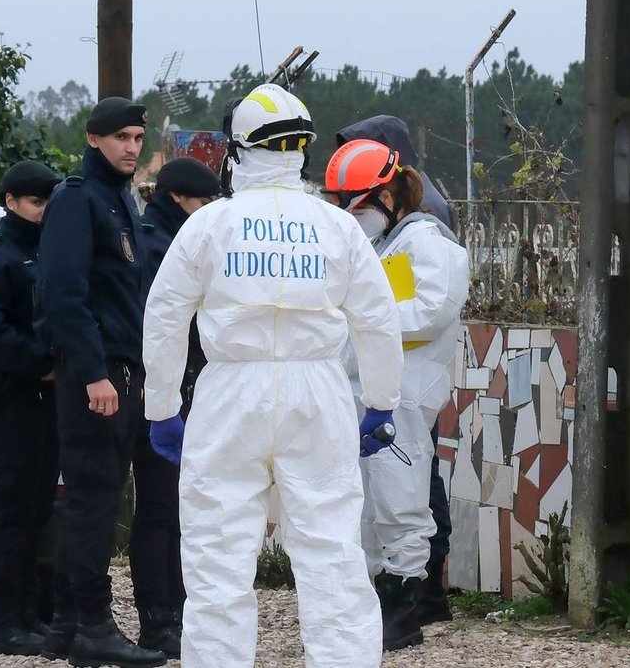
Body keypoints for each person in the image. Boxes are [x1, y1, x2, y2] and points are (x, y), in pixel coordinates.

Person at [140, 84, 405, 668]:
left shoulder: (209, 224)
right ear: (301, 150)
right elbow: (378, 319)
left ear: (237, 150)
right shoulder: (336, 227)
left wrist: (162, 407)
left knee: (216, 555)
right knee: (332, 551)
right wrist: (382, 402)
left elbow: (164, 317)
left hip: (230, 392)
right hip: (319, 392)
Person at [323, 139, 469, 650]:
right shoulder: (387, 244)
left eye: (355, 206)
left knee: (401, 499)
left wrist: (361, 322)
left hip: (405, 393)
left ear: (385, 197)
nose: (349, 216)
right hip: (372, 390)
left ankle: (404, 609)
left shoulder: (427, 243)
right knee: (368, 501)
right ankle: (375, 604)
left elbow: (431, 310)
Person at [36, 97, 166, 668]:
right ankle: (93, 626)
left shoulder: (116, 198)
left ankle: (67, 627)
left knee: (95, 501)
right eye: (120, 138)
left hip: (121, 370)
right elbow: (63, 295)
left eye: (137, 138)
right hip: (97, 375)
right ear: (93, 139)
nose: (132, 148)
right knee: (92, 505)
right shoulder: (78, 198)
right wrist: (92, 373)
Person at [0, 160, 63, 657]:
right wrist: (41, 366)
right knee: (12, 510)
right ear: (11, 201)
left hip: (50, 399)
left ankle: (35, 613)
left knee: (41, 509)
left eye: (49, 203)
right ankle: (6, 622)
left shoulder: (54, 252)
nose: (44, 212)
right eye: (36, 203)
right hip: (11, 396)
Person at [128, 156, 221, 658]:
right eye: (203, 201)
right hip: (162, 392)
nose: (209, 211)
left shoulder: (176, 239)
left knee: (180, 509)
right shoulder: (157, 245)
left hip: (182, 388)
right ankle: (157, 620)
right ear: (177, 198)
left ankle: (178, 614)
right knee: (160, 507)